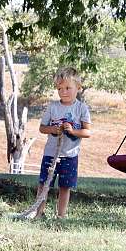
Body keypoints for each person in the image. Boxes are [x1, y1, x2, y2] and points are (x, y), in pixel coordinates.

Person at [36, 67, 92, 218]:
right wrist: (54, 130)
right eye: (60, 88)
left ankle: (61, 215)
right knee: (44, 184)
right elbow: (42, 128)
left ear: (78, 88)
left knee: (65, 186)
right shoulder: (53, 107)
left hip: (70, 155)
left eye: (68, 88)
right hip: (51, 154)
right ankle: (39, 213)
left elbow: (87, 132)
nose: (64, 92)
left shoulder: (81, 108)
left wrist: (73, 131)